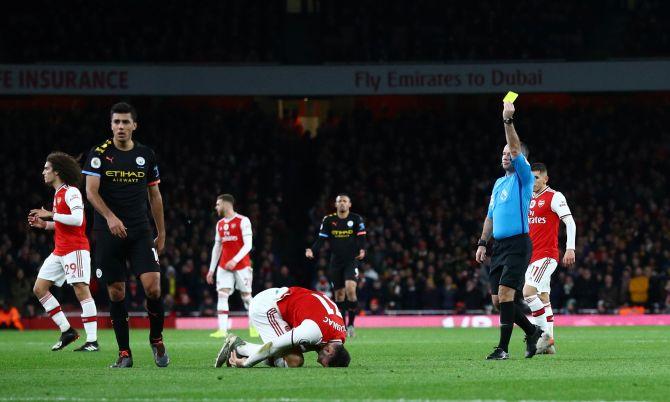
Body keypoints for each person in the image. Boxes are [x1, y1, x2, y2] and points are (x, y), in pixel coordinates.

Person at [82, 102, 168, 368]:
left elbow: (155, 195)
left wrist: (161, 231)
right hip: (108, 233)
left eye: (125, 122)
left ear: (134, 125)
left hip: (140, 231)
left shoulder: (146, 155)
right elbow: (91, 192)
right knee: (116, 292)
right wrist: (110, 217)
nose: (120, 127)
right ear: (111, 125)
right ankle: (124, 353)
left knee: (153, 287)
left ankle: (156, 338)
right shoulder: (98, 154)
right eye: (116, 122)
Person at [475, 101, 549, 360]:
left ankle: (502, 349)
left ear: (519, 159)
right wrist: (483, 242)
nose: (506, 155)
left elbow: (515, 148)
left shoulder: (523, 176)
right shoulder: (498, 184)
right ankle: (533, 333)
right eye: (503, 153)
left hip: (518, 243)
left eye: (510, 153)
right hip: (499, 246)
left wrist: (507, 121)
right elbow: (490, 216)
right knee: (498, 301)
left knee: (507, 295)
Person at [28, 152, 98, 351]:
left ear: (57, 171)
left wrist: (50, 213)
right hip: (60, 250)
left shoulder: (71, 192)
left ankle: (92, 341)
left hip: (75, 248)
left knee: (80, 289)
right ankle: (67, 331)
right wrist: (45, 224)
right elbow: (63, 223)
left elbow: (77, 219)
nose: (43, 172)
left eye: (47, 168)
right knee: (39, 288)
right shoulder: (58, 194)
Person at [215, 286, 349, 368]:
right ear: (330, 351)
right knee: (294, 361)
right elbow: (273, 346)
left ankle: (241, 348)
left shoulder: (340, 334)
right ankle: (240, 347)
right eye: (324, 363)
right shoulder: (313, 330)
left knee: (304, 346)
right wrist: (246, 363)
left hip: (284, 298)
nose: (319, 362)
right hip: (267, 306)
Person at [523, 162, 576, 354]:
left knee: (528, 293)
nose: (533, 181)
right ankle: (549, 346)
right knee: (543, 297)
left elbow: (570, 222)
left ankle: (542, 336)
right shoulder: (527, 197)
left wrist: (570, 248)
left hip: (546, 255)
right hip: (529, 256)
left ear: (546, 178)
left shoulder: (554, 196)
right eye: (531, 177)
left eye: (537, 177)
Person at [306, 194, 366, 337]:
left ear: (350, 204)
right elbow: (321, 239)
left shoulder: (356, 219)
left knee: (351, 290)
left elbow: (361, 236)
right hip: (335, 262)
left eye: (345, 201)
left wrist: (362, 249)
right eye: (340, 201)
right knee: (339, 296)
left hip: (351, 260)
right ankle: (342, 326)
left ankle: (351, 325)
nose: (342, 204)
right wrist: (312, 250)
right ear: (335, 204)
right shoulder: (329, 220)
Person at [206, 194, 253, 338]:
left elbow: (248, 245)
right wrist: (211, 270)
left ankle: (254, 327)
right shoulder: (219, 224)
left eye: (218, 204)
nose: (216, 207)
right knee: (222, 294)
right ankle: (222, 330)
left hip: (242, 265)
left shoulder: (243, 221)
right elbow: (217, 247)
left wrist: (235, 260)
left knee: (246, 297)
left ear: (226, 204)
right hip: (224, 266)